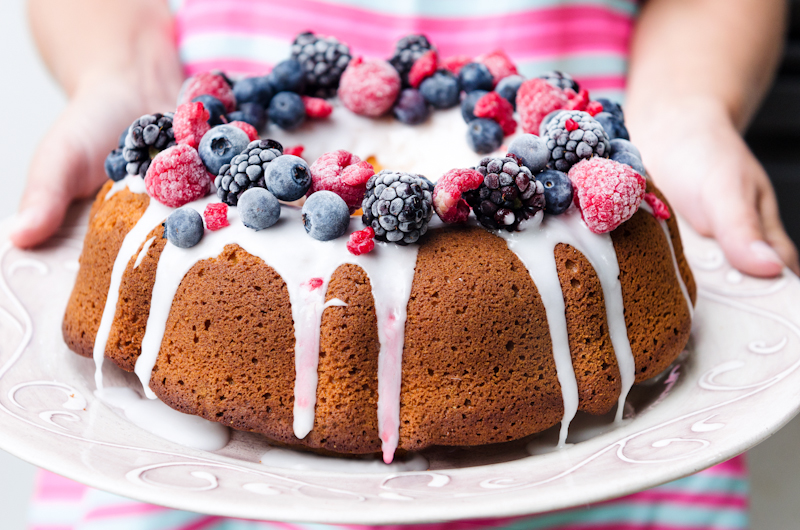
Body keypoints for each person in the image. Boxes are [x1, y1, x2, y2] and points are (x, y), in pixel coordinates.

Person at [17, 0, 800, 528]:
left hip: (618, 473)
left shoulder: (590, 191)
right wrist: (122, 75)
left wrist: (685, 110)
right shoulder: (183, 178)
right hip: (164, 484)